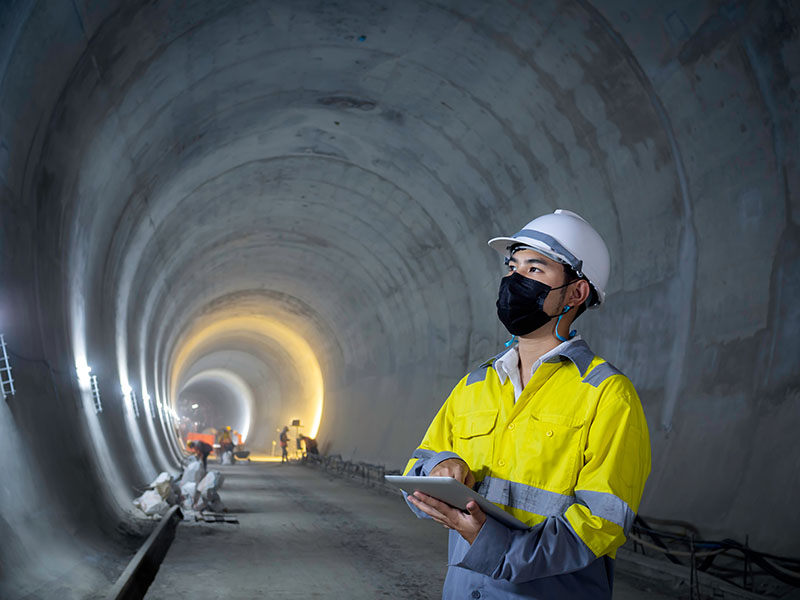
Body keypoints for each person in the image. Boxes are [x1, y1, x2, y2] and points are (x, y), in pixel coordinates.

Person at [403, 210, 651, 599]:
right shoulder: (475, 384)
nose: (515, 280)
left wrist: (494, 547)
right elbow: (419, 463)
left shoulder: (607, 393)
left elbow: (601, 523)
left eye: (535, 269)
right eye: (512, 266)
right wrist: (438, 466)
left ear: (576, 293)